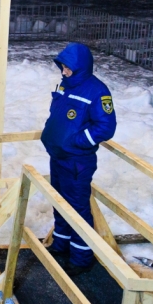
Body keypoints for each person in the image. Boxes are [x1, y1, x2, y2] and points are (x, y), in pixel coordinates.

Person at [41, 42, 116, 276]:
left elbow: (106, 127)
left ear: (80, 67)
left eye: (68, 68)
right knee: (60, 202)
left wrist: (77, 141)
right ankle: (61, 244)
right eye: (62, 67)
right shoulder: (65, 84)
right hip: (58, 156)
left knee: (77, 207)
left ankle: (81, 257)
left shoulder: (97, 91)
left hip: (77, 161)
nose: (63, 71)